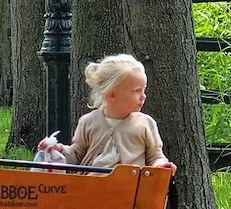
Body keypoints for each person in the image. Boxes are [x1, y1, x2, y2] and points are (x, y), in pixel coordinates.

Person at [39, 54, 177, 171]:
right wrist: (58, 149)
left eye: (143, 90)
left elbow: (155, 156)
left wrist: (161, 165)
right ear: (112, 95)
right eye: (136, 91)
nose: (143, 96)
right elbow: (76, 154)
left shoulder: (146, 124)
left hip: (129, 190)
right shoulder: (88, 122)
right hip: (91, 188)